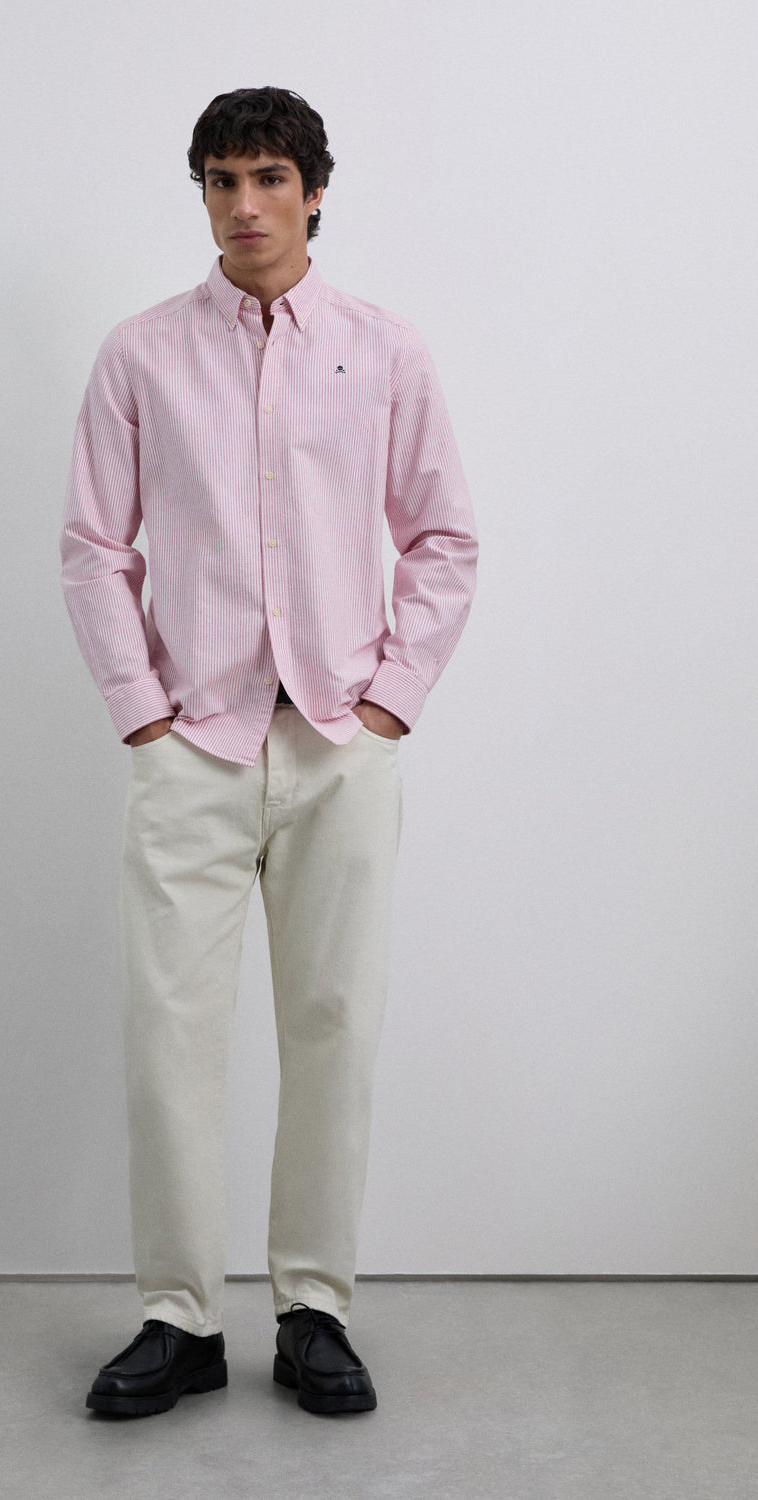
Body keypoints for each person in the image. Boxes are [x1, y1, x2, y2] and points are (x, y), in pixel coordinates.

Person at [60, 85, 478, 1418]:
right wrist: (141, 709)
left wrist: (392, 700)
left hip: (338, 742)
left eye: (268, 178)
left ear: (313, 191)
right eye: (221, 180)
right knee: (169, 1035)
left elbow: (442, 537)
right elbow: (93, 545)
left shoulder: (383, 349)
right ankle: (178, 1320)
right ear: (201, 194)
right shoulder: (140, 354)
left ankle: (313, 1312)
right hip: (192, 740)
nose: (244, 205)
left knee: (334, 1024)